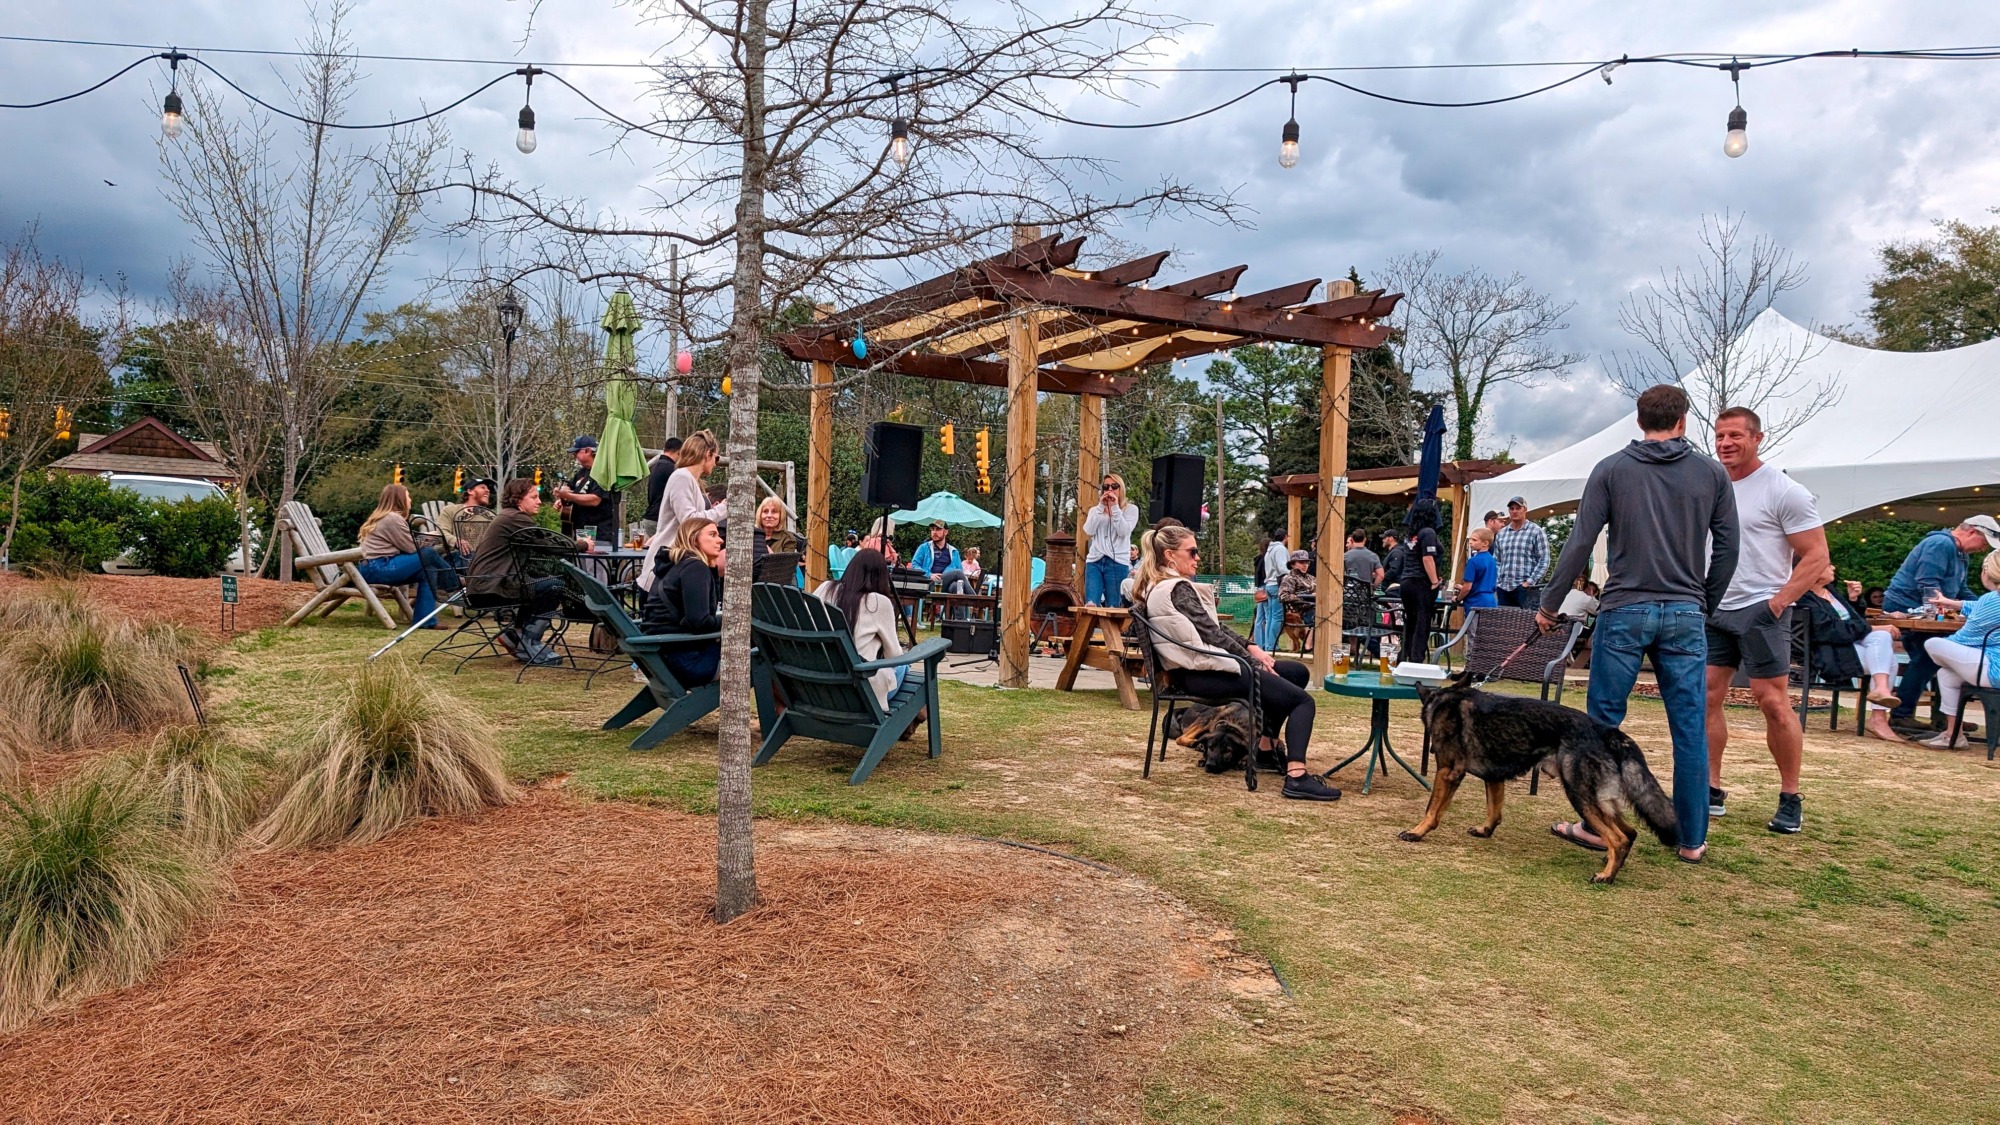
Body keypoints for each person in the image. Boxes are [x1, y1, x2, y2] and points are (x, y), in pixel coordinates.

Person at [1537, 384, 1736, 865]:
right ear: (1684, 421)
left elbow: (1580, 543)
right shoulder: (1712, 472)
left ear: (1638, 420)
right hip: (1686, 611)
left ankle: (1595, 825)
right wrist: (1702, 602)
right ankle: (1691, 840)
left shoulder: (1611, 470)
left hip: (1625, 609)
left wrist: (1549, 604)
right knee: (1689, 727)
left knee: (1601, 725)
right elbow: (1729, 549)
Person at [1132, 524, 1339, 802]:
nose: (1198, 558)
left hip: (1197, 671)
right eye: (1192, 552)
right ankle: (1297, 777)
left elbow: (1212, 630)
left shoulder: (1160, 587)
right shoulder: (1177, 588)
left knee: (1295, 672)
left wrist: (1253, 649)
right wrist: (1251, 661)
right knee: (1303, 702)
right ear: (1170, 555)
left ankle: (1265, 750)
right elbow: (1213, 635)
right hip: (1206, 673)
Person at [1700, 407, 1830, 833]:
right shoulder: (1709, 485)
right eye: (1720, 436)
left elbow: (1816, 557)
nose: (1725, 444)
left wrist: (1776, 605)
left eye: (1735, 435)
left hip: (1761, 608)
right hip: (1714, 607)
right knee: (1706, 697)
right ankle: (1711, 789)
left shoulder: (1784, 490)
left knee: (1772, 701)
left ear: (1757, 438)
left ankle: (1790, 796)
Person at [1881, 515, 2000, 731]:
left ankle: (1945, 717)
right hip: (1908, 608)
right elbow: (1928, 585)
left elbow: (1960, 590)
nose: (1983, 548)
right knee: (1928, 658)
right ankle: (1903, 715)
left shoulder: (1960, 553)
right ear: (1972, 531)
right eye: (1984, 542)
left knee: (1937, 658)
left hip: (1925, 610)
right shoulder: (1940, 544)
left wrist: (1985, 606)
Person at [464, 479, 571, 665]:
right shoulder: (515, 518)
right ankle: (529, 641)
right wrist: (583, 544)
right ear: (518, 499)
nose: (539, 501)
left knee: (543, 582)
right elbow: (549, 545)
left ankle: (516, 636)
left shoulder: (509, 516)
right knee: (555, 585)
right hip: (491, 587)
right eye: (534, 497)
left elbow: (541, 544)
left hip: (487, 582)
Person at [1802, 573, 1904, 743]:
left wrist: (1853, 600)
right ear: (1814, 570)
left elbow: (1853, 621)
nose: (1833, 567)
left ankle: (1880, 693)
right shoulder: (1804, 598)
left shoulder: (1829, 590)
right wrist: (1870, 629)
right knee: (1890, 660)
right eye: (1828, 565)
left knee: (1883, 639)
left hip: (1849, 644)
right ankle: (1878, 717)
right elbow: (1833, 631)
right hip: (1831, 654)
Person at [1916, 551, 2000, 749]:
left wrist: (1947, 649)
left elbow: (1964, 638)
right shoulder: (1991, 600)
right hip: (1992, 660)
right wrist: (1952, 603)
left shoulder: (1992, 600)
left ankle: (1952, 733)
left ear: (1987, 571)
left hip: (1994, 669)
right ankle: (1953, 735)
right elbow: (1977, 606)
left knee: (1932, 644)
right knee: (1946, 673)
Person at [356, 484, 461, 629]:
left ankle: (426, 620)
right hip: (380, 567)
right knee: (429, 554)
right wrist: (429, 539)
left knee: (428, 570)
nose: (410, 499)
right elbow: (411, 548)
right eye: (408, 496)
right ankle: (456, 582)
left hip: (375, 567)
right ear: (399, 499)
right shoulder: (392, 518)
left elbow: (407, 545)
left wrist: (426, 538)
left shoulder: (386, 517)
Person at [813, 548, 907, 710]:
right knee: (904, 666)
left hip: (819, 684)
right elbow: (893, 655)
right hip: (859, 691)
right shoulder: (878, 602)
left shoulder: (825, 588)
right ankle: (917, 715)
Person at [638, 430, 726, 593]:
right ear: (708, 454)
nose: (716, 463)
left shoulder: (689, 480)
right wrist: (723, 509)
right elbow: (689, 521)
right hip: (664, 568)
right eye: (717, 458)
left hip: (675, 564)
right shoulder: (682, 477)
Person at [641, 515, 724, 687]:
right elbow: (699, 621)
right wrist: (733, 621)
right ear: (694, 538)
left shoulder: (675, 564)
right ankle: (781, 711)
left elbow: (703, 613)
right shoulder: (694, 568)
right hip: (689, 663)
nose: (720, 540)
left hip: (664, 658)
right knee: (764, 654)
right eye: (712, 535)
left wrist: (713, 569)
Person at [1082, 473, 1140, 607]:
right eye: (1106, 487)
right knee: (1091, 604)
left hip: (1117, 562)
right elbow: (1089, 530)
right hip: (1095, 560)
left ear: (1121, 489)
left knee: (1114, 606)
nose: (1110, 490)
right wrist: (1101, 507)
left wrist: (1114, 508)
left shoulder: (1131, 510)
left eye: (1114, 486)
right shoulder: (1095, 510)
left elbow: (1123, 531)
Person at [1398, 500, 1444, 662]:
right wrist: (1434, 581)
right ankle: (1417, 659)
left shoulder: (1411, 535)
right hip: (1421, 582)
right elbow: (1427, 558)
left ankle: (1404, 657)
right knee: (1422, 621)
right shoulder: (1428, 533)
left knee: (1411, 621)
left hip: (1406, 581)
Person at [553, 435, 620, 546]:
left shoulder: (603, 472)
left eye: (576, 452)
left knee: (594, 564)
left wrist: (569, 496)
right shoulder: (582, 472)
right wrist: (562, 498)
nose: (574, 456)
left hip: (599, 535)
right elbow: (570, 487)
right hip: (580, 533)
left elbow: (595, 500)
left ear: (588, 451)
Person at [1492, 496, 1551, 609]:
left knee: (1527, 624)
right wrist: (1497, 581)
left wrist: (1530, 582)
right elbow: (1497, 560)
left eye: (1518, 508)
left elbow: (1544, 559)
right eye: (1512, 508)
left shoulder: (1536, 531)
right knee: (1504, 624)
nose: (1514, 511)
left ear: (1525, 509)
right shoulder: (1502, 533)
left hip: (1526, 589)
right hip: (1503, 588)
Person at [640, 436, 684, 537]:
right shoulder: (671, 469)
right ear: (679, 452)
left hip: (651, 517)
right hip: (659, 519)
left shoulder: (656, 466)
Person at [1254, 530, 1290, 650]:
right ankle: (1272, 645)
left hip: (1268, 585)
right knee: (1277, 617)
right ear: (1285, 537)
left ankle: (1268, 644)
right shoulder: (1280, 549)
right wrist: (1291, 575)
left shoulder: (1269, 550)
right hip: (1276, 585)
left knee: (1269, 617)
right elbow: (1282, 568)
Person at [1452, 527, 1498, 609]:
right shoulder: (1492, 560)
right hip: (1491, 601)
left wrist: (1458, 599)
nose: (1470, 542)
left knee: (1474, 622)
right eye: (1470, 539)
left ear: (1485, 543)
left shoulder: (1473, 561)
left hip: (1476, 602)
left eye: (1474, 540)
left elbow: (1467, 587)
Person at [910, 521, 963, 590]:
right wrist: (929, 575)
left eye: (938, 529)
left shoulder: (954, 551)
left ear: (946, 532)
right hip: (929, 582)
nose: (934, 532)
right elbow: (914, 566)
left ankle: (973, 599)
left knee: (956, 586)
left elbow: (960, 570)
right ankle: (975, 598)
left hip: (946, 583)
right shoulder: (924, 547)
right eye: (932, 529)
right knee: (957, 573)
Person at [751, 496, 798, 562]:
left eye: (774, 511)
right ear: (760, 515)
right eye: (765, 511)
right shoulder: (751, 534)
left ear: (781, 515)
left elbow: (785, 567)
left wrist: (763, 546)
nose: (769, 515)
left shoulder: (788, 539)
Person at [1379, 530, 1407, 595]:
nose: (1383, 540)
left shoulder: (1396, 552)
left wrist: (1381, 577)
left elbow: (1394, 570)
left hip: (1394, 589)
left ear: (1391, 538)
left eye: (1384, 538)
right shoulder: (1393, 552)